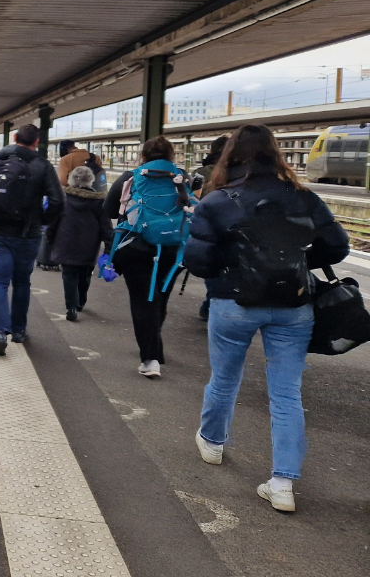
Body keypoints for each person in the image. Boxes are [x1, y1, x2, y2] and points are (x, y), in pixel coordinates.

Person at [184, 124, 348, 513]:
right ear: (276, 154)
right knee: (287, 392)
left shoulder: (217, 201)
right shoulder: (303, 197)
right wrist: (296, 262)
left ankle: (212, 443)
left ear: (231, 156)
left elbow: (197, 261)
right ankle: (283, 482)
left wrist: (234, 263)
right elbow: (337, 246)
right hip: (294, 305)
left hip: (233, 304)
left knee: (225, 377)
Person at [0, 124, 63, 356]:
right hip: (27, 233)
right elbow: (57, 201)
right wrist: (42, 220)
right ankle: (19, 331)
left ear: (14, 138)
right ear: (36, 142)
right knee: (22, 282)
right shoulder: (42, 165)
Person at [102, 136, 188, 377]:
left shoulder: (130, 177)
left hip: (137, 247)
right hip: (172, 247)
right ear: (172, 156)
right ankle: (155, 348)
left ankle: (150, 359)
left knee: (143, 301)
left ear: (142, 156)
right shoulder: (182, 178)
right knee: (160, 297)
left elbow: (108, 210)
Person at [46, 166, 113, 322]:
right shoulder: (98, 201)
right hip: (89, 245)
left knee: (68, 275)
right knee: (85, 274)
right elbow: (106, 227)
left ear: (71, 180)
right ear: (91, 180)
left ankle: (71, 307)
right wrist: (109, 247)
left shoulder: (63, 198)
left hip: (66, 243)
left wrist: (50, 239)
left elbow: (52, 222)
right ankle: (81, 301)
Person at [191, 135, 230, 320]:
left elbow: (192, 198)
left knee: (213, 266)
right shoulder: (240, 172)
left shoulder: (201, 172)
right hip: (235, 228)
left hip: (208, 227)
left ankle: (211, 303)